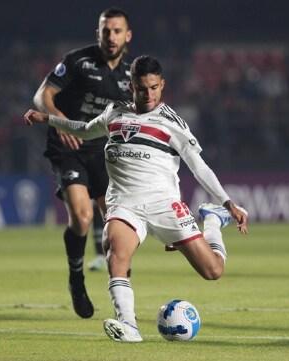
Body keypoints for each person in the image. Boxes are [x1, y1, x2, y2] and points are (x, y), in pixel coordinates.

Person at [24, 55, 249, 342]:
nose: (149, 94)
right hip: (124, 204)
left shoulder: (172, 122)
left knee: (213, 271)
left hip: (164, 205)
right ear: (131, 86)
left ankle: (214, 220)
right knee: (115, 253)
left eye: (154, 87)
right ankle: (128, 325)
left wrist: (227, 203)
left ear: (162, 85)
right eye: (142, 88)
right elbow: (84, 129)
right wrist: (48, 118)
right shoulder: (114, 112)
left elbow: (198, 166)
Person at [32, 7, 133, 318]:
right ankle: (77, 279)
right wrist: (61, 121)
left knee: (118, 228)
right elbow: (42, 96)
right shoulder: (78, 61)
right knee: (83, 217)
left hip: (104, 152)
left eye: (117, 31)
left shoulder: (131, 75)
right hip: (69, 145)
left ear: (127, 36)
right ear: (98, 34)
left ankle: (123, 305)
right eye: (106, 31)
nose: (111, 37)